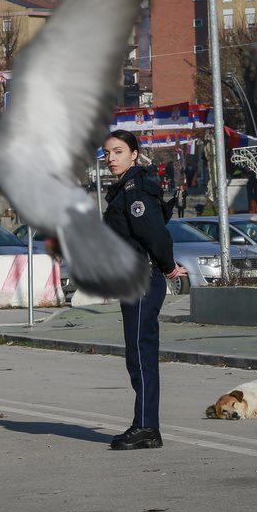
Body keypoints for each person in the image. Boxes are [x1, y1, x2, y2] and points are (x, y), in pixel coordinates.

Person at [102, 129, 186, 451]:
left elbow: (155, 236)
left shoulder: (134, 191)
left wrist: (167, 267)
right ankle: (144, 425)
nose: (111, 158)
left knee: (141, 354)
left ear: (134, 154)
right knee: (137, 355)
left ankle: (148, 427)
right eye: (107, 153)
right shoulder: (125, 190)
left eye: (118, 152)